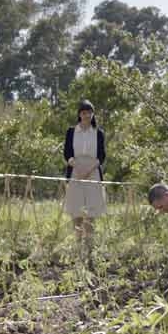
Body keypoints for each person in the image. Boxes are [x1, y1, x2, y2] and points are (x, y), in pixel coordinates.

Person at [63, 99, 107, 257]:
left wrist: (89, 169)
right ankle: (77, 247)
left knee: (91, 212)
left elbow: (102, 156)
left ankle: (89, 248)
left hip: (93, 172)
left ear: (92, 114)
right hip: (76, 171)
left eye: (89, 112)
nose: (86, 115)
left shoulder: (98, 133)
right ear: (79, 114)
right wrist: (77, 167)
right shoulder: (71, 131)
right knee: (76, 211)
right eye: (83, 112)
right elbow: (67, 153)